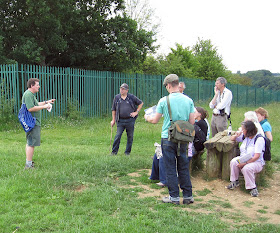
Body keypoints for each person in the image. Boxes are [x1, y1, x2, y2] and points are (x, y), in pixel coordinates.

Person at [144, 74, 195, 205]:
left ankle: (174, 197)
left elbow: (155, 120)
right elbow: (192, 121)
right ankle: (188, 196)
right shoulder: (188, 100)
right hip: (183, 138)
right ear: (178, 84)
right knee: (183, 166)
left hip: (167, 138)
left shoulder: (164, 101)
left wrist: (147, 117)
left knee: (170, 167)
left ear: (168, 85)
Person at [22, 78, 55, 169]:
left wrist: (46, 102)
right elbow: (31, 108)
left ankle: (29, 162)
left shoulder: (30, 94)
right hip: (32, 122)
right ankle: (28, 165)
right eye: (37, 85)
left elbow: (35, 104)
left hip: (32, 122)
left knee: (30, 142)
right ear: (32, 85)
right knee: (31, 143)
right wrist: (45, 106)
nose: (39, 86)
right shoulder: (28, 94)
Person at [227, 121, 265, 197]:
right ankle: (234, 181)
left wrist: (245, 163)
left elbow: (257, 156)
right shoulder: (245, 136)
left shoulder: (259, 139)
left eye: (243, 129)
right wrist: (236, 135)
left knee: (247, 168)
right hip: (244, 158)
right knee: (234, 162)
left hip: (256, 162)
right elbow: (232, 138)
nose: (242, 131)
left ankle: (252, 188)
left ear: (248, 130)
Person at [110, 83, 143, 156]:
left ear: (127, 90)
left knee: (130, 137)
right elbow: (113, 109)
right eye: (121, 88)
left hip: (130, 120)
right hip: (120, 121)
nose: (121, 90)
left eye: (123, 89)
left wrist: (136, 112)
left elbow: (141, 103)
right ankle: (114, 152)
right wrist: (113, 120)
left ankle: (127, 153)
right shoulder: (117, 98)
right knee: (117, 136)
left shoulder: (131, 97)